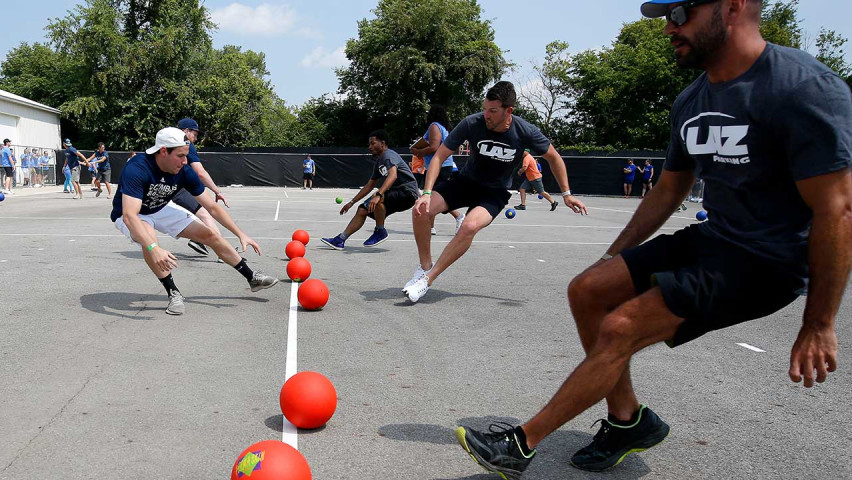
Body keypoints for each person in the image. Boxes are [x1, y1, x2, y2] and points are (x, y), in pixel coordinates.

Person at [453, 1, 852, 478]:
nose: (668, 27)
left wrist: (820, 321)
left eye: (680, 12)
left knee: (622, 327)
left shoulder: (802, 88)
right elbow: (669, 188)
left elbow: (838, 209)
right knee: (587, 289)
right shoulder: (692, 99)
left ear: (732, 7)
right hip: (717, 237)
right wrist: (614, 257)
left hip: (770, 260)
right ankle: (628, 421)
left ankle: (521, 444)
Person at [405, 81, 588, 303]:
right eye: (485, 109)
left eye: (492, 111)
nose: (487, 115)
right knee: (421, 211)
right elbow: (439, 156)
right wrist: (426, 192)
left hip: (495, 192)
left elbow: (554, 158)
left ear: (508, 111)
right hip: (465, 182)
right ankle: (425, 267)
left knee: (469, 226)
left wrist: (567, 194)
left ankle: (427, 281)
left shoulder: (525, 131)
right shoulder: (472, 123)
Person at [110, 127, 279, 315]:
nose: (185, 161)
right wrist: (153, 248)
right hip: (132, 214)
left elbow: (212, 208)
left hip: (160, 208)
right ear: (164, 151)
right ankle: (173, 293)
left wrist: (240, 234)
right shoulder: (137, 168)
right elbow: (130, 216)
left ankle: (252, 277)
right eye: (180, 156)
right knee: (149, 239)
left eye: (187, 156)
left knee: (210, 234)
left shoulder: (184, 171)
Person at [321, 130, 419, 250]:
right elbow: (369, 186)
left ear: (382, 143)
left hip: (407, 192)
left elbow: (393, 175)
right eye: (369, 144)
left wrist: (378, 194)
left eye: (373, 143)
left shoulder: (388, 155)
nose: (370, 147)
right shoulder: (379, 162)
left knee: (377, 198)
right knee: (362, 209)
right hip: (397, 193)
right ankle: (340, 240)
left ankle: (380, 231)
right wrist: (351, 202)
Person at [169, 118, 230, 256]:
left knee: (202, 214)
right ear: (185, 131)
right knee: (206, 214)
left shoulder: (170, 142)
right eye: (194, 134)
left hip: (172, 186)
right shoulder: (185, 144)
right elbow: (200, 172)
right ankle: (224, 252)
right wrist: (217, 190)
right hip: (175, 188)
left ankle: (200, 241)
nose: (195, 139)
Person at [409, 105, 466, 236]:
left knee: (434, 196)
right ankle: (431, 227)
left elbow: (434, 146)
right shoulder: (443, 128)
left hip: (439, 166)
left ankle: (458, 216)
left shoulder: (434, 126)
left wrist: (419, 151)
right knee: (433, 196)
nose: (426, 116)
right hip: (442, 165)